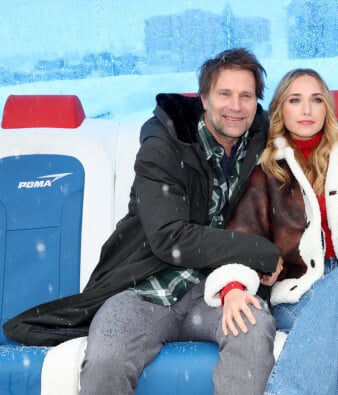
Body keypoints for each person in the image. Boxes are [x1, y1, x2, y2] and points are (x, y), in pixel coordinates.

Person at [3, 48, 282, 395]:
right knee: (107, 359)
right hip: (143, 286)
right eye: (224, 94)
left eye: (247, 96)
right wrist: (260, 251)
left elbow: (331, 131)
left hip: (217, 291)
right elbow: (170, 238)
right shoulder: (165, 144)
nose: (235, 106)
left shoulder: (265, 141)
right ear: (205, 99)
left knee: (253, 334)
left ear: (258, 102)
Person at [209, 68, 338, 394]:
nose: (306, 110)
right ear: (281, 109)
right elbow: (242, 237)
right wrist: (233, 286)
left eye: (316, 100)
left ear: (327, 108)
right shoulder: (266, 172)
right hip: (300, 293)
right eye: (295, 100)